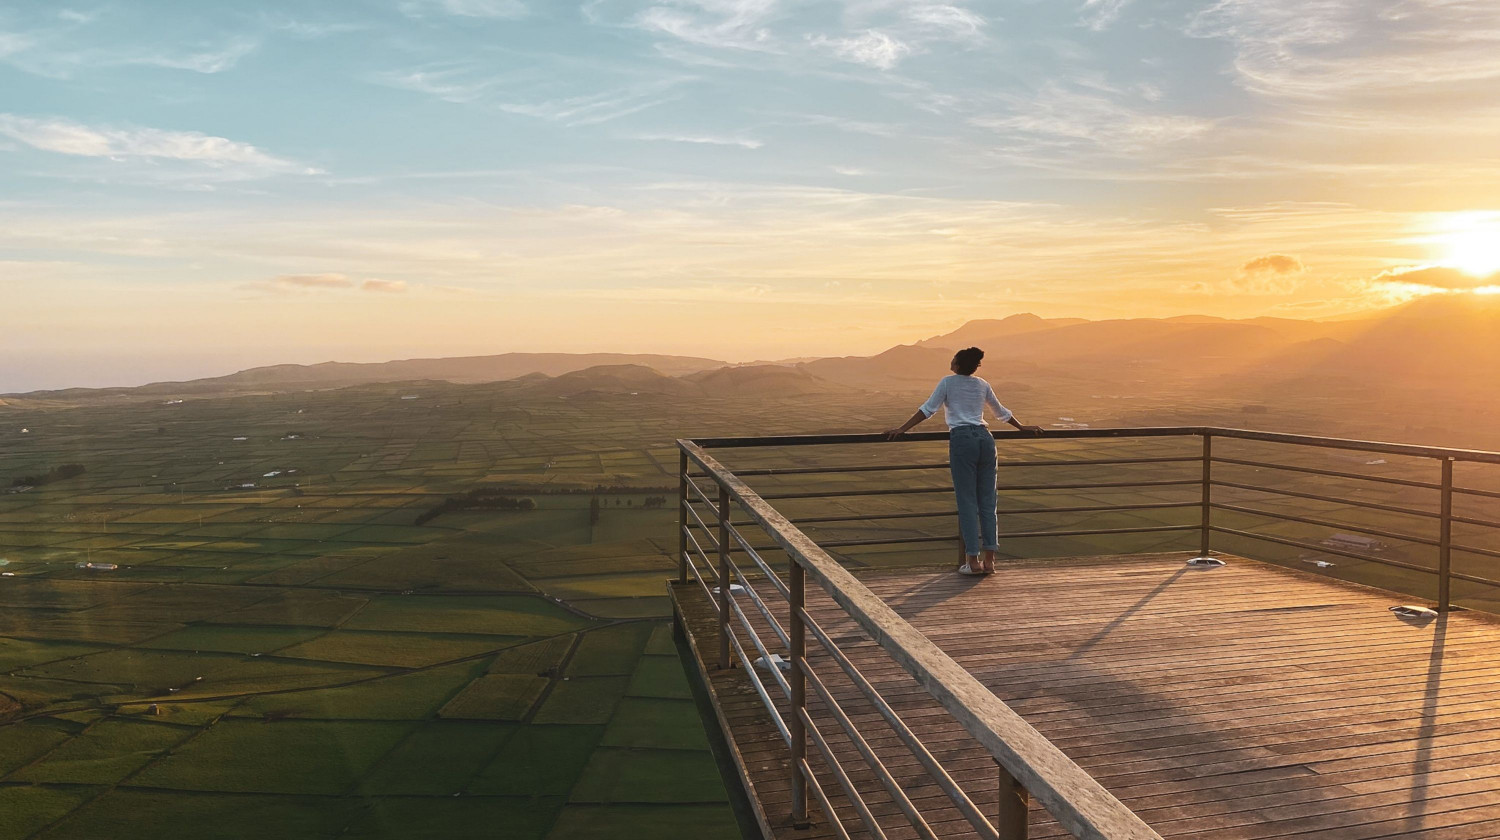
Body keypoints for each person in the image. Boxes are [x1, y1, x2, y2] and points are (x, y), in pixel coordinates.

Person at [884, 347, 1042, 575]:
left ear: (957, 364)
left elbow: (927, 410)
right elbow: (1001, 413)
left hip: (963, 440)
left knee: (967, 501)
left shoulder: (948, 382)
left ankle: (973, 562)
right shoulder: (982, 384)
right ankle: (990, 561)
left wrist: (902, 429)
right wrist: (1022, 427)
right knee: (988, 501)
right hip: (985, 440)